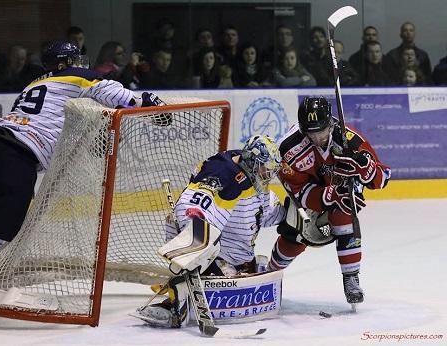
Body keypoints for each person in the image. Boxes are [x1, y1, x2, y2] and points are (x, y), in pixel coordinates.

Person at [0, 41, 168, 315]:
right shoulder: (78, 78)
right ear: (63, 64)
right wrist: (149, 103)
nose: (81, 63)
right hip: (15, 155)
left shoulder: (36, 84)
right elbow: (113, 92)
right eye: (75, 59)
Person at [134, 134, 287, 327]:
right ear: (252, 160)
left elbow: (264, 214)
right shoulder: (222, 171)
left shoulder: (254, 177)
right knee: (197, 239)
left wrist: (290, 215)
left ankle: (228, 273)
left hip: (240, 259)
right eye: (265, 169)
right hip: (217, 258)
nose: (267, 175)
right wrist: (195, 228)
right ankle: (177, 301)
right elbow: (192, 203)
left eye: (269, 171)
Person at [269, 97, 391, 306]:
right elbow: (297, 190)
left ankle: (351, 278)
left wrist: (365, 169)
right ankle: (270, 274)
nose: (316, 137)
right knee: (294, 235)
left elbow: (383, 179)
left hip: (340, 195)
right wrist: (326, 196)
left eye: (321, 131)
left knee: (344, 211)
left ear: (331, 123)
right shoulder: (288, 148)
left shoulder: (350, 140)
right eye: (311, 132)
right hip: (311, 199)